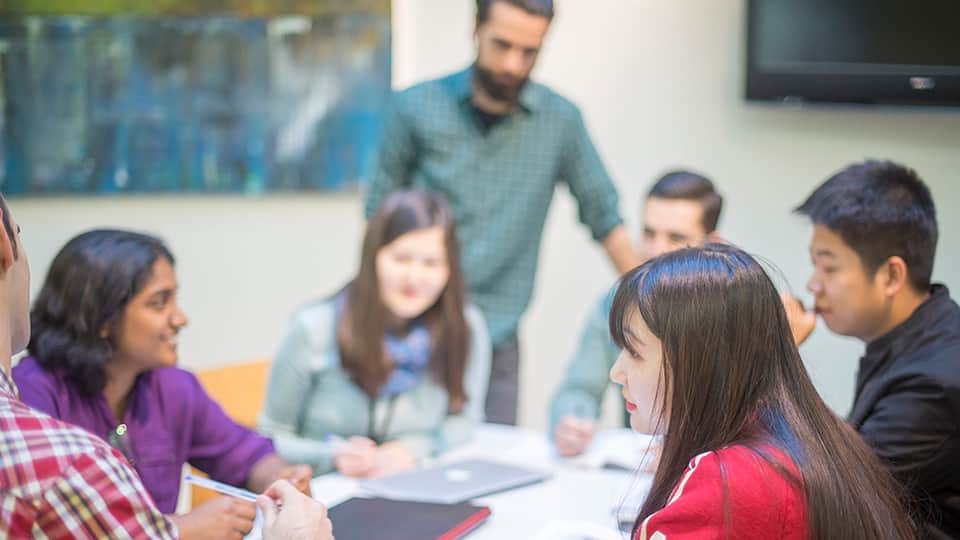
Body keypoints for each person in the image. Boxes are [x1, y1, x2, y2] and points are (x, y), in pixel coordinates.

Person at [365, 0, 639, 425]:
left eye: (529, 52)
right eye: (502, 45)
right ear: (475, 28)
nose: (512, 64)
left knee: (490, 470)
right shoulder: (415, 107)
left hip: (498, 340)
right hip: (411, 335)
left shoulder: (560, 121)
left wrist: (661, 313)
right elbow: (378, 220)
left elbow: (605, 218)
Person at [13, 229, 313, 540]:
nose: (180, 319)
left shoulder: (175, 388)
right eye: (159, 303)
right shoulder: (32, 398)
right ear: (101, 318)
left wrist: (280, 478)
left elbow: (247, 455)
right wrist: (177, 531)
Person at [608, 243, 915, 539]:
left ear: (703, 361)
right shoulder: (815, 436)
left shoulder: (729, 481)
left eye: (634, 351)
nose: (617, 373)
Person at [260, 190, 490, 478]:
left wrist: (413, 448)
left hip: (413, 489)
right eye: (401, 258)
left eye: (432, 263)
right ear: (373, 257)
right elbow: (268, 437)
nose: (414, 278)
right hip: (324, 496)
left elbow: (465, 421)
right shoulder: (313, 328)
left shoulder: (465, 328)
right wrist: (332, 456)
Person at [787, 160, 960, 538]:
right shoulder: (919, 336)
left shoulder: (936, 380)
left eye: (829, 268)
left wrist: (777, 358)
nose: (813, 284)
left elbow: (837, 495)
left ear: (891, 276)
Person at [550, 171, 722, 456]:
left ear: (712, 242)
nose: (656, 250)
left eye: (676, 237)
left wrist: (686, 449)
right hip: (636, 473)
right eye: (649, 233)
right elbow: (579, 388)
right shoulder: (616, 302)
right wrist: (573, 421)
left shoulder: (738, 310)